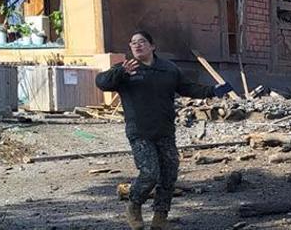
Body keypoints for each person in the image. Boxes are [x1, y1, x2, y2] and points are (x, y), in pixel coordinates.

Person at [96, 30, 233, 230]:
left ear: (152, 46)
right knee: (150, 173)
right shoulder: (125, 69)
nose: (137, 45)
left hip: (164, 130)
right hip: (140, 131)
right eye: (133, 43)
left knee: (169, 173)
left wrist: (213, 90)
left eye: (142, 42)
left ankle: (160, 217)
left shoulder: (168, 69)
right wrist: (121, 72)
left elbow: (188, 88)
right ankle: (134, 205)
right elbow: (101, 82)